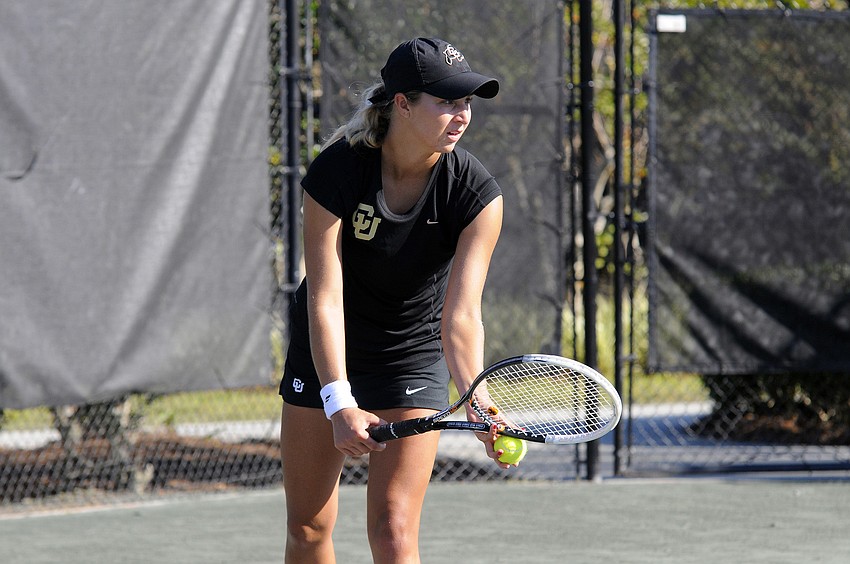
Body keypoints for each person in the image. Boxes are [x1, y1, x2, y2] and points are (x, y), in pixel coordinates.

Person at [278, 37, 507, 563]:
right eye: (446, 101)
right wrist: (338, 401)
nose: (461, 115)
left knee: (393, 530)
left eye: (467, 102)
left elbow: (463, 316)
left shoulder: (476, 193)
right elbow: (324, 296)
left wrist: (477, 397)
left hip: (410, 350)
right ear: (401, 103)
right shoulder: (338, 170)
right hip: (328, 347)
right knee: (309, 528)